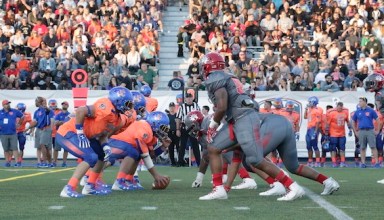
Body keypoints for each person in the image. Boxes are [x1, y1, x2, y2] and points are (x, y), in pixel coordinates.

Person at [199, 52, 304, 201]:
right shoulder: (228, 76)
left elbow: (221, 107)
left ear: (209, 66)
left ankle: (293, 187)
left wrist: (212, 126)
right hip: (236, 119)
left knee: (255, 160)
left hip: (243, 118)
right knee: (213, 148)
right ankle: (219, 189)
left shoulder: (215, 77)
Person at [57, 87, 133, 198]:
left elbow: (102, 134)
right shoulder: (105, 106)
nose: (128, 107)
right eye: (127, 103)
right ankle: (69, 188)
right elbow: (80, 111)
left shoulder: (117, 118)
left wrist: (105, 145)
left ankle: (90, 186)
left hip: (87, 136)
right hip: (68, 132)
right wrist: (80, 133)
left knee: (102, 155)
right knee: (91, 157)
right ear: (117, 100)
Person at [186, 110, 257, 190]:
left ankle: (247, 179)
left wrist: (210, 132)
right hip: (234, 137)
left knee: (225, 151)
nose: (191, 131)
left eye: (192, 127)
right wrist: (199, 178)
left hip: (238, 133)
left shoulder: (207, 121)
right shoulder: (201, 134)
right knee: (256, 162)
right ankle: (270, 180)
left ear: (196, 121)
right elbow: (206, 156)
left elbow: (222, 124)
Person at [108, 111, 171, 191]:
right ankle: (119, 181)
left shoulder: (152, 135)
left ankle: (128, 180)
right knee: (133, 152)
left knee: (136, 153)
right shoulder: (145, 128)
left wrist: (163, 147)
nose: (164, 132)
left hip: (122, 145)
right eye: (163, 128)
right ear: (155, 124)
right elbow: (145, 156)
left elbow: (150, 155)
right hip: (114, 143)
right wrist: (156, 175)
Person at [27, 97, 55, 168]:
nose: (35, 103)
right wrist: (30, 130)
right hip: (38, 129)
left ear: (39, 102)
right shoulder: (37, 111)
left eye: (36, 101)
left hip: (46, 129)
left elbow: (50, 115)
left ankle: (45, 162)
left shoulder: (47, 110)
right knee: (40, 146)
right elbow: (35, 122)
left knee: (44, 145)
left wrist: (51, 129)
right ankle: (48, 162)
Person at [352, 97, 379, 168]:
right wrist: (355, 131)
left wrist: (377, 130)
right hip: (361, 131)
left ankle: (376, 163)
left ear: (365, 102)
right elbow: (353, 121)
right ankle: (363, 163)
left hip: (370, 130)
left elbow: (378, 120)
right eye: (359, 101)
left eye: (360, 101)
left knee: (373, 147)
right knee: (362, 147)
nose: (359, 103)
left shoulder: (371, 111)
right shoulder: (357, 111)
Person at [175, 92, 201, 167]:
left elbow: (199, 117)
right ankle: (180, 162)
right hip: (184, 127)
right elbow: (178, 119)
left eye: (190, 98)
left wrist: (198, 128)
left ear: (192, 98)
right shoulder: (182, 107)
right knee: (182, 145)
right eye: (187, 98)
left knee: (195, 145)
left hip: (193, 127)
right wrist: (177, 129)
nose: (189, 99)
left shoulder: (196, 106)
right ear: (185, 99)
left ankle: (199, 162)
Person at [325, 102, 353, 168]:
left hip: (342, 134)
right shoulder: (331, 113)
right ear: (336, 106)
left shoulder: (345, 113)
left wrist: (350, 129)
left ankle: (342, 162)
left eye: (341, 107)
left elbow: (348, 122)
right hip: (333, 134)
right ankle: (334, 162)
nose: (340, 108)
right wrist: (326, 134)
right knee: (333, 149)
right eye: (339, 107)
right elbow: (327, 124)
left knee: (342, 149)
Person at [0, 100, 24, 167]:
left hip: (13, 133)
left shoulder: (14, 111)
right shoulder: (0, 112)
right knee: (6, 149)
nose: (8, 105)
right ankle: (7, 162)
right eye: (6, 104)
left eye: (8, 104)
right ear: (3, 105)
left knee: (15, 148)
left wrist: (19, 124)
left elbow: (22, 116)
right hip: (3, 133)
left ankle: (17, 162)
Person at [304, 96, 323, 167]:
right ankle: (310, 161)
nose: (309, 103)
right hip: (309, 129)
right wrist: (306, 109)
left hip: (313, 128)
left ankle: (318, 161)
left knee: (314, 146)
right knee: (308, 146)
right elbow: (305, 117)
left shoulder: (317, 110)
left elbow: (318, 122)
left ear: (313, 102)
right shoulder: (309, 109)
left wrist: (315, 132)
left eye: (310, 102)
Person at [53, 101, 71, 167]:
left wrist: (61, 122)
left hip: (66, 133)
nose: (64, 106)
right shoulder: (58, 114)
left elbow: (70, 124)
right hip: (59, 133)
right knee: (56, 148)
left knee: (66, 149)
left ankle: (64, 162)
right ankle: (54, 161)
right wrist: (63, 122)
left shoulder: (70, 115)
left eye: (65, 104)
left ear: (68, 106)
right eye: (63, 104)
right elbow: (55, 123)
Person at [167, 102, 180, 166]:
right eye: (170, 107)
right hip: (169, 133)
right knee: (170, 148)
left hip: (176, 133)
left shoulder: (177, 115)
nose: (172, 108)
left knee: (178, 147)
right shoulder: (167, 116)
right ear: (169, 108)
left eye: (173, 107)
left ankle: (179, 161)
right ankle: (172, 162)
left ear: (175, 107)